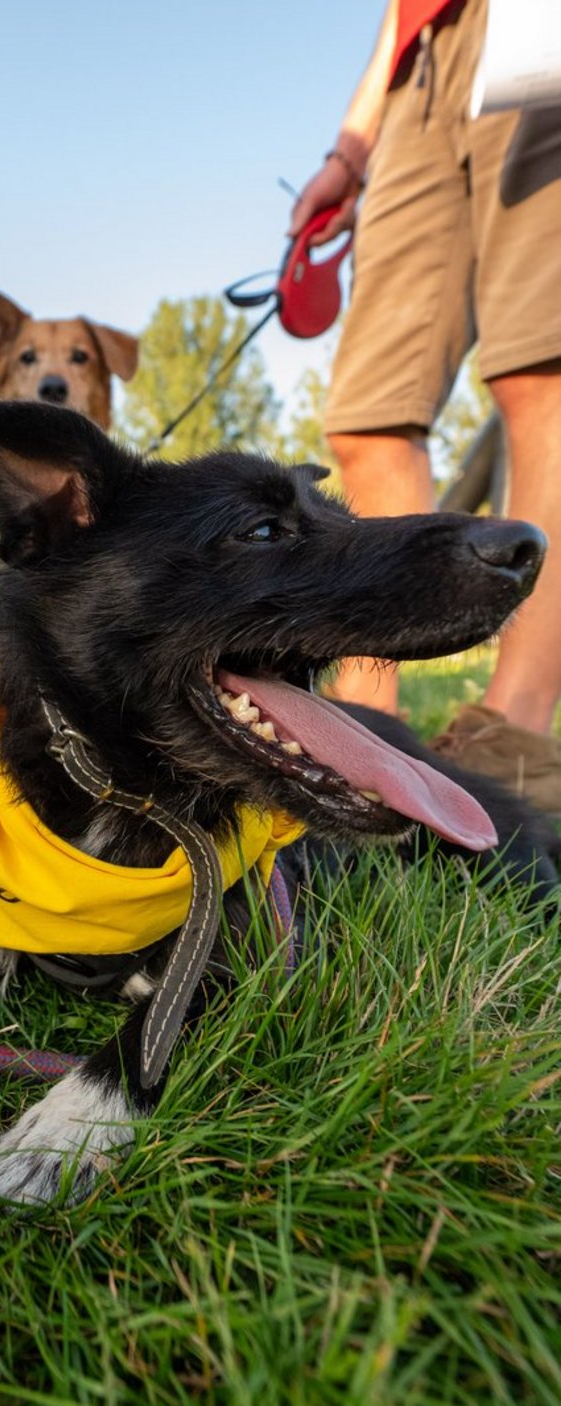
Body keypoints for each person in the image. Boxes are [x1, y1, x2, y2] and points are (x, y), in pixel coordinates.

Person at [289, 0, 561, 813]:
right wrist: (351, 146)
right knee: (367, 414)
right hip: (420, 69)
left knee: (538, 373)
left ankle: (511, 737)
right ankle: (369, 723)